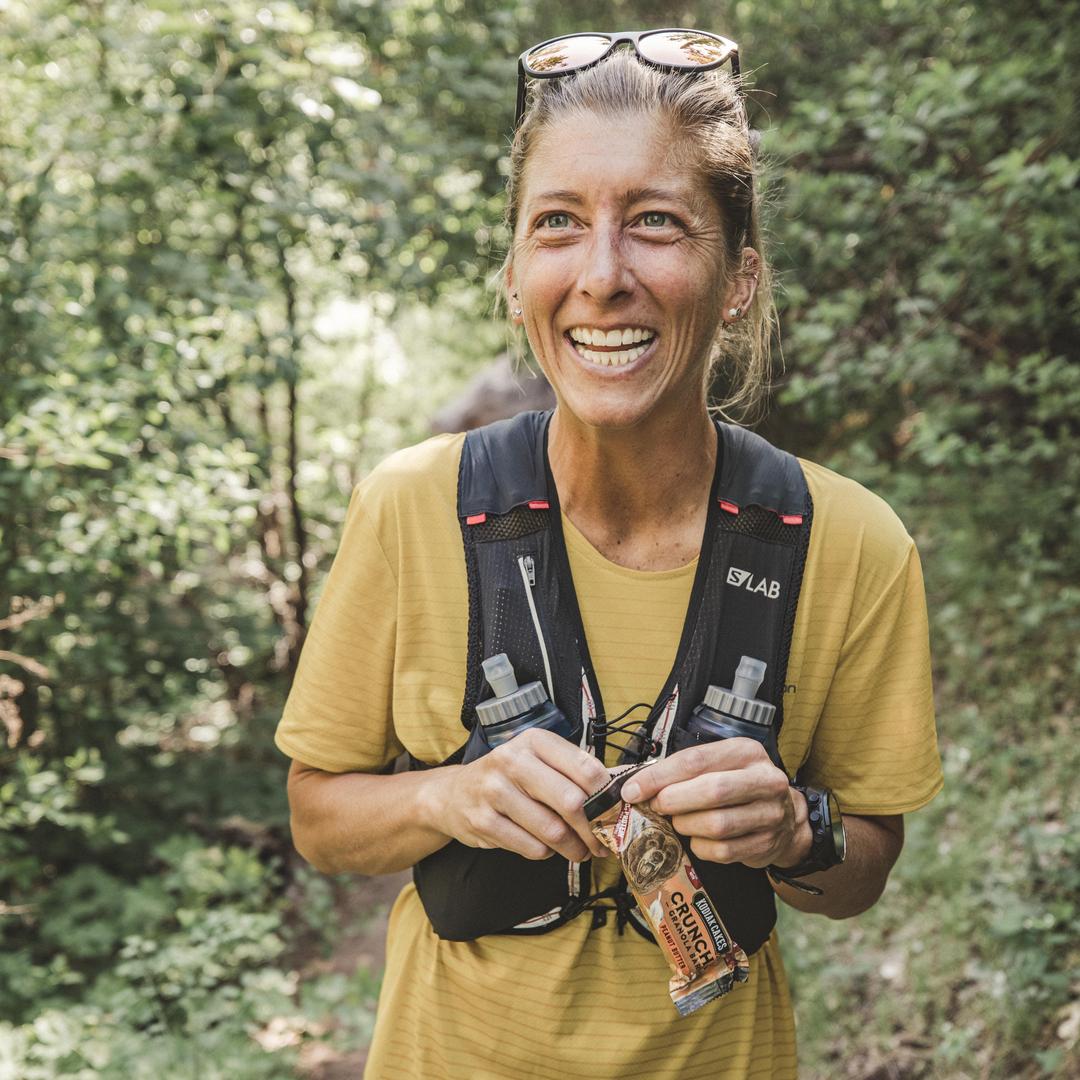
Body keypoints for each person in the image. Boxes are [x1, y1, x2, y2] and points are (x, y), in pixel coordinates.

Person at [275, 29, 943, 1080]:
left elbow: (864, 870)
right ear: (513, 272)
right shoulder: (412, 509)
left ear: (739, 279)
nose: (601, 275)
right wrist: (444, 798)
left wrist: (792, 827)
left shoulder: (852, 546)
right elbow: (318, 813)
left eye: (656, 224)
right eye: (557, 225)